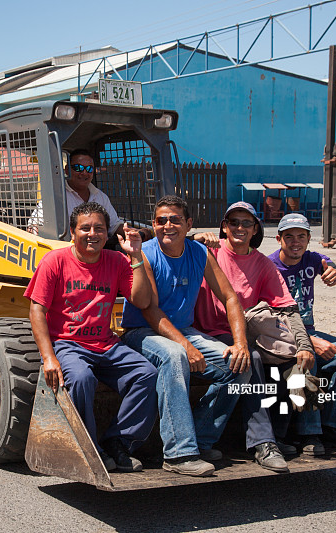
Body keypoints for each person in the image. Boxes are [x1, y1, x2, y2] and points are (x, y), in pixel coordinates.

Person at [122, 195, 252, 477]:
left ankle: (202, 438)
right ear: (153, 225)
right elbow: (150, 311)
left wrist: (240, 343)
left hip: (185, 331)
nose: (167, 226)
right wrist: (185, 345)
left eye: (175, 220)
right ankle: (179, 453)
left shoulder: (199, 253)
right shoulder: (145, 253)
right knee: (174, 355)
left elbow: (230, 297)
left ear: (188, 223)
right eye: (160, 221)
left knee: (240, 366)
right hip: (141, 332)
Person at [25, 202, 158, 473]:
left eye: (99, 228)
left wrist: (135, 257)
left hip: (105, 344)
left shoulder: (118, 261)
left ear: (107, 233)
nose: (92, 233)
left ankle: (118, 443)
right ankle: (88, 448)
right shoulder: (55, 261)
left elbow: (142, 301)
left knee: (146, 373)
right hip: (66, 344)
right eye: (85, 228)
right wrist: (49, 357)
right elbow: (37, 310)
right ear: (73, 232)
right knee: (81, 377)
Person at [193, 201, 315, 471]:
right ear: (224, 227)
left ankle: (296, 434)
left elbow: (286, 306)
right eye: (233, 222)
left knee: (294, 362)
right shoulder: (208, 252)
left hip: (245, 335)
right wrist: (194, 238)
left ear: (255, 228)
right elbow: (172, 245)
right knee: (253, 359)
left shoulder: (261, 264)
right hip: (208, 334)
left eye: (246, 223)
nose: (239, 227)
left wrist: (305, 346)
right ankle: (263, 443)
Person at [268, 213, 336, 451]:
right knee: (307, 357)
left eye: (301, 236)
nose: (296, 242)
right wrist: (310, 342)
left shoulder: (312, 259)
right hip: (280, 334)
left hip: (310, 330)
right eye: (289, 237)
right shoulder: (270, 267)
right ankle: (308, 434)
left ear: (309, 239)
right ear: (279, 239)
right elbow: (272, 318)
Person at [27, 150, 149, 239]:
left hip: (97, 252)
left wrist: (135, 232)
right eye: (78, 168)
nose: (84, 173)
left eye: (89, 169)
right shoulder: (56, 196)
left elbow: (114, 225)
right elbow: (33, 226)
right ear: (67, 170)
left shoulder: (100, 197)